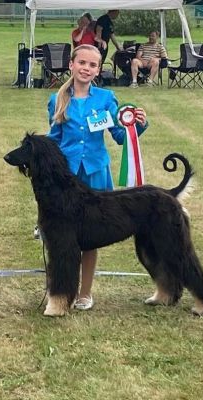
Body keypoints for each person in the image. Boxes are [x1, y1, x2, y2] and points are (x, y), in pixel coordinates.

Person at [45, 44, 148, 310]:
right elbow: (53, 140)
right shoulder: (57, 99)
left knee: (89, 236)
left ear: (98, 70)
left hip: (95, 173)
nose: (86, 68)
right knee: (61, 238)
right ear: (71, 64)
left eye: (92, 65)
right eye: (82, 63)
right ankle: (59, 290)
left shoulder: (106, 98)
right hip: (67, 178)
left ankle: (85, 293)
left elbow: (119, 136)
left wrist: (138, 126)